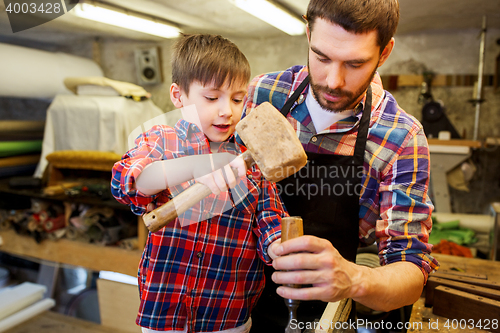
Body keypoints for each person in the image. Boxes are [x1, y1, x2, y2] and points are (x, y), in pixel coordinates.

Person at [240, 0, 440, 330]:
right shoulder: (262, 94)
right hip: (240, 309)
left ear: (385, 52)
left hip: (326, 318)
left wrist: (354, 280)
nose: (333, 80)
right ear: (308, 33)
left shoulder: (401, 138)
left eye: (355, 63)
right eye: (321, 57)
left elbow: (411, 271)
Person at [111, 34, 286, 333]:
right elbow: (128, 181)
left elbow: (270, 221)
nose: (226, 111)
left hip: (228, 313)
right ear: (179, 96)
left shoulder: (250, 160)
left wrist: (281, 249)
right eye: (212, 97)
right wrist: (196, 167)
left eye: (237, 98)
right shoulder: (161, 141)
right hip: (165, 309)